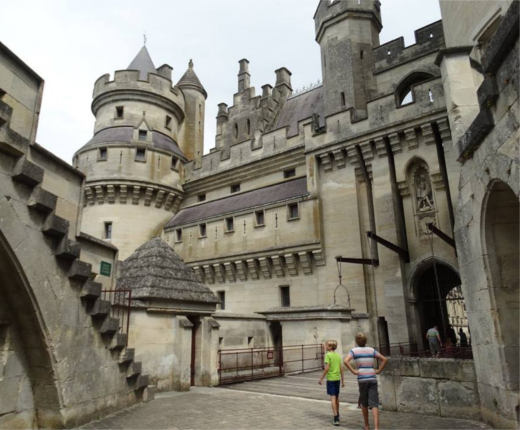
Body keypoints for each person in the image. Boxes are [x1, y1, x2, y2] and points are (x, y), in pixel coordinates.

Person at [344, 333, 388, 430]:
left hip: (362, 378)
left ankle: (367, 426)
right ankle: (376, 428)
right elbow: (384, 359)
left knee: (364, 403)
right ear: (366, 341)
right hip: (372, 377)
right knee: (374, 403)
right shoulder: (371, 350)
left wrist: (353, 371)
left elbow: (345, 361)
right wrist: (379, 370)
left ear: (356, 341)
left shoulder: (354, 351)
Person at [318, 340, 345, 426]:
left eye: (326, 345)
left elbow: (327, 368)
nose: (325, 346)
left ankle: (335, 417)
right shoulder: (337, 356)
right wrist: (343, 380)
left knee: (332, 398)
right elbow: (341, 368)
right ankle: (338, 413)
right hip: (337, 379)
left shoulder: (327, 355)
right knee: (337, 397)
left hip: (331, 379)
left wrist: (321, 378)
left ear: (330, 347)